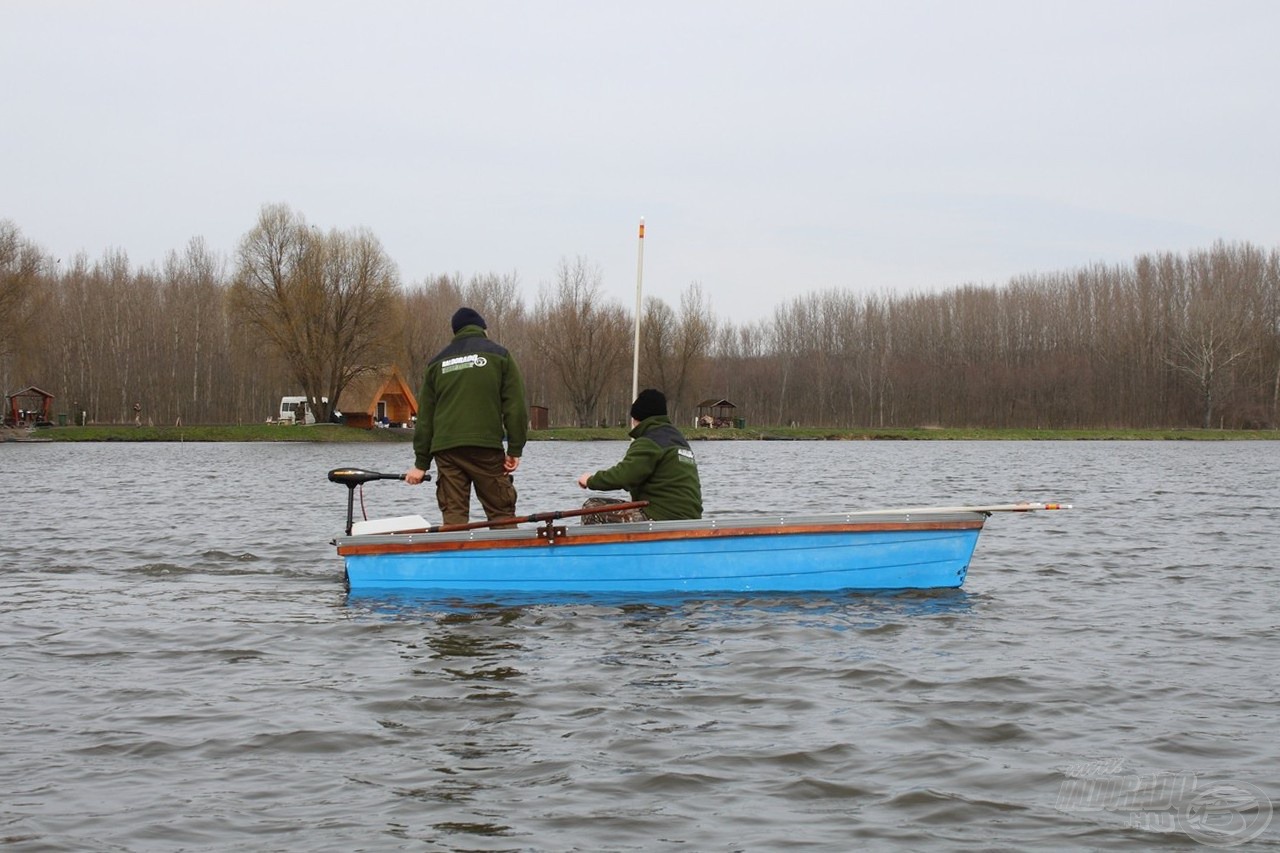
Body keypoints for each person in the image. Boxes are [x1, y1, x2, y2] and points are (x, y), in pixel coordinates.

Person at [404, 307, 528, 526]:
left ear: (456, 332)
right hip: (486, 448)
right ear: (483, 329)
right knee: (501, 513)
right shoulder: (500, 355)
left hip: (447, 450)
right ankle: (507, 555)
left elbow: (425, 418)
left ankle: (455, 555)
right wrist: (515, 448)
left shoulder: (436, 363)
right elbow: (515, 406)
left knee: (454, 517)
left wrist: (421, 463)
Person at [576, 388, 702, 523]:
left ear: (636, 418)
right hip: (691, 518)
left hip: (662, 516)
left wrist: (590, 480)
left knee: (592, 508)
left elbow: (624, 476)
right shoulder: (678, 440)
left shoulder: (649, 441)